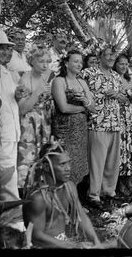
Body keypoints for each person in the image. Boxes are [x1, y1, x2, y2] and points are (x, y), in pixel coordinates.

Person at [22, 140, 104, 248]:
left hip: (63, 242)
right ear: (46, 167)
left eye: (68, 162)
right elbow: (36, 237)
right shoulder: (38, 198)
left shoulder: (69, 187)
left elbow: (82, 216)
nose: (68, 168)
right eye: (62, 164)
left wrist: (95, 240)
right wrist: (73, 246)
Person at [81, 46, 125, 210]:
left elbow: (122, 98)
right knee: (97, 162)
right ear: (100, 57)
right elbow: (78, 90)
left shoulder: (116, 75)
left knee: (112, 162)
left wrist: (119, 96)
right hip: (97, 122)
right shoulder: (88, 73)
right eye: (108, 56)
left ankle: (109, 192)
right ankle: (94, 195)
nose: (111, 59)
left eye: (113, 57)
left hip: (114, 123)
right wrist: (98, 96)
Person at [52, 50, 96, 187]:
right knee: (65, 164)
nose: (79, 64)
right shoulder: (59, 81)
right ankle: (62, 201)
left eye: (81, 62)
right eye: (75, 61)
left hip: (81, 131)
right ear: (66, 63)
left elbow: (93, 108)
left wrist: (85, 101)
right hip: (65, 131)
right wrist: (83, 108)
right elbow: (64, 108)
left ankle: (74, 201)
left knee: (78, 165)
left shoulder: (82, 82)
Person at [0, 28, 27, 233]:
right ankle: (14, 229)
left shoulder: (8, 73)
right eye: (2, 49)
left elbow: (10, 102)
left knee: (9, 180)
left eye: (9, 50)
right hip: (2, 136)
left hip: (11, 134)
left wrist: (18, 95)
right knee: (7, 183)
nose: (7, 53)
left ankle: (10, 227)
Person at [17, 48, 54, 191]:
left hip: (44, 123)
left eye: (47, 62)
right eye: (41, 61)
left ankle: (40, 191)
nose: (45, 65)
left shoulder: (48, 77)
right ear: (32, 61)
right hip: (29, 124)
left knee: (43, 156)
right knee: (27, 157)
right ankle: (23, 191)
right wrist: (37, 92)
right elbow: (23, 108)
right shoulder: (25, 78)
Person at [113, 53, 132, 199]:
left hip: (128, 117)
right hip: (117, 116)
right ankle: (119, 183)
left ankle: (129, 181)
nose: (124, 67)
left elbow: (131, 101)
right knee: (120, 149)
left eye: (126, 64)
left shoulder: (128, 79)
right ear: (115, 64)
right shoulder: (112, 78)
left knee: (131, 148)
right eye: (121, 64)